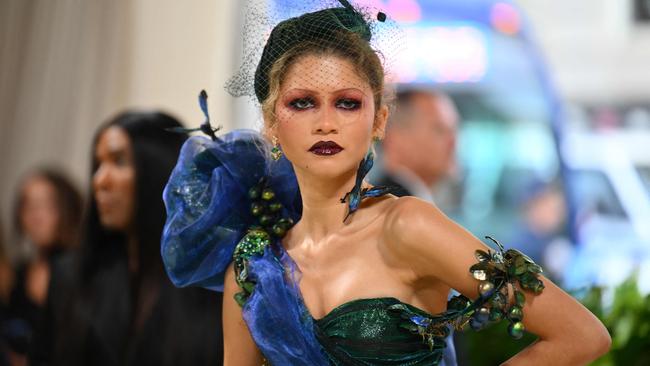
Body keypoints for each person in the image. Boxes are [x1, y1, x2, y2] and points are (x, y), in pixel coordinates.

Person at [161, 1, 610, 365]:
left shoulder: (409, 225)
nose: (325, 123)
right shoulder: (253, 265)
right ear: (271, 124)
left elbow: (580, 334)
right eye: (302, 103)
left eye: (347, 103)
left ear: (378, 120)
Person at [34, 112, 223, 366]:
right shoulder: (71, 276)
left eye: (118, 161)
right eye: (98, 164)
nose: (100, 180)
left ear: (161, 169)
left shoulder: (212, 283)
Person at [5, 169, 83, 364]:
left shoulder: (82, 276)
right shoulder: (15, 274)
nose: (36, 216)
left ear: (68, 209)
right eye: (27, 206)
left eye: (47, 206)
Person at [378, 89, 459, 203]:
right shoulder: (394, 211)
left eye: (453, 131)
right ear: (396, 139)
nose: (453, 143)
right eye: (439, 130)